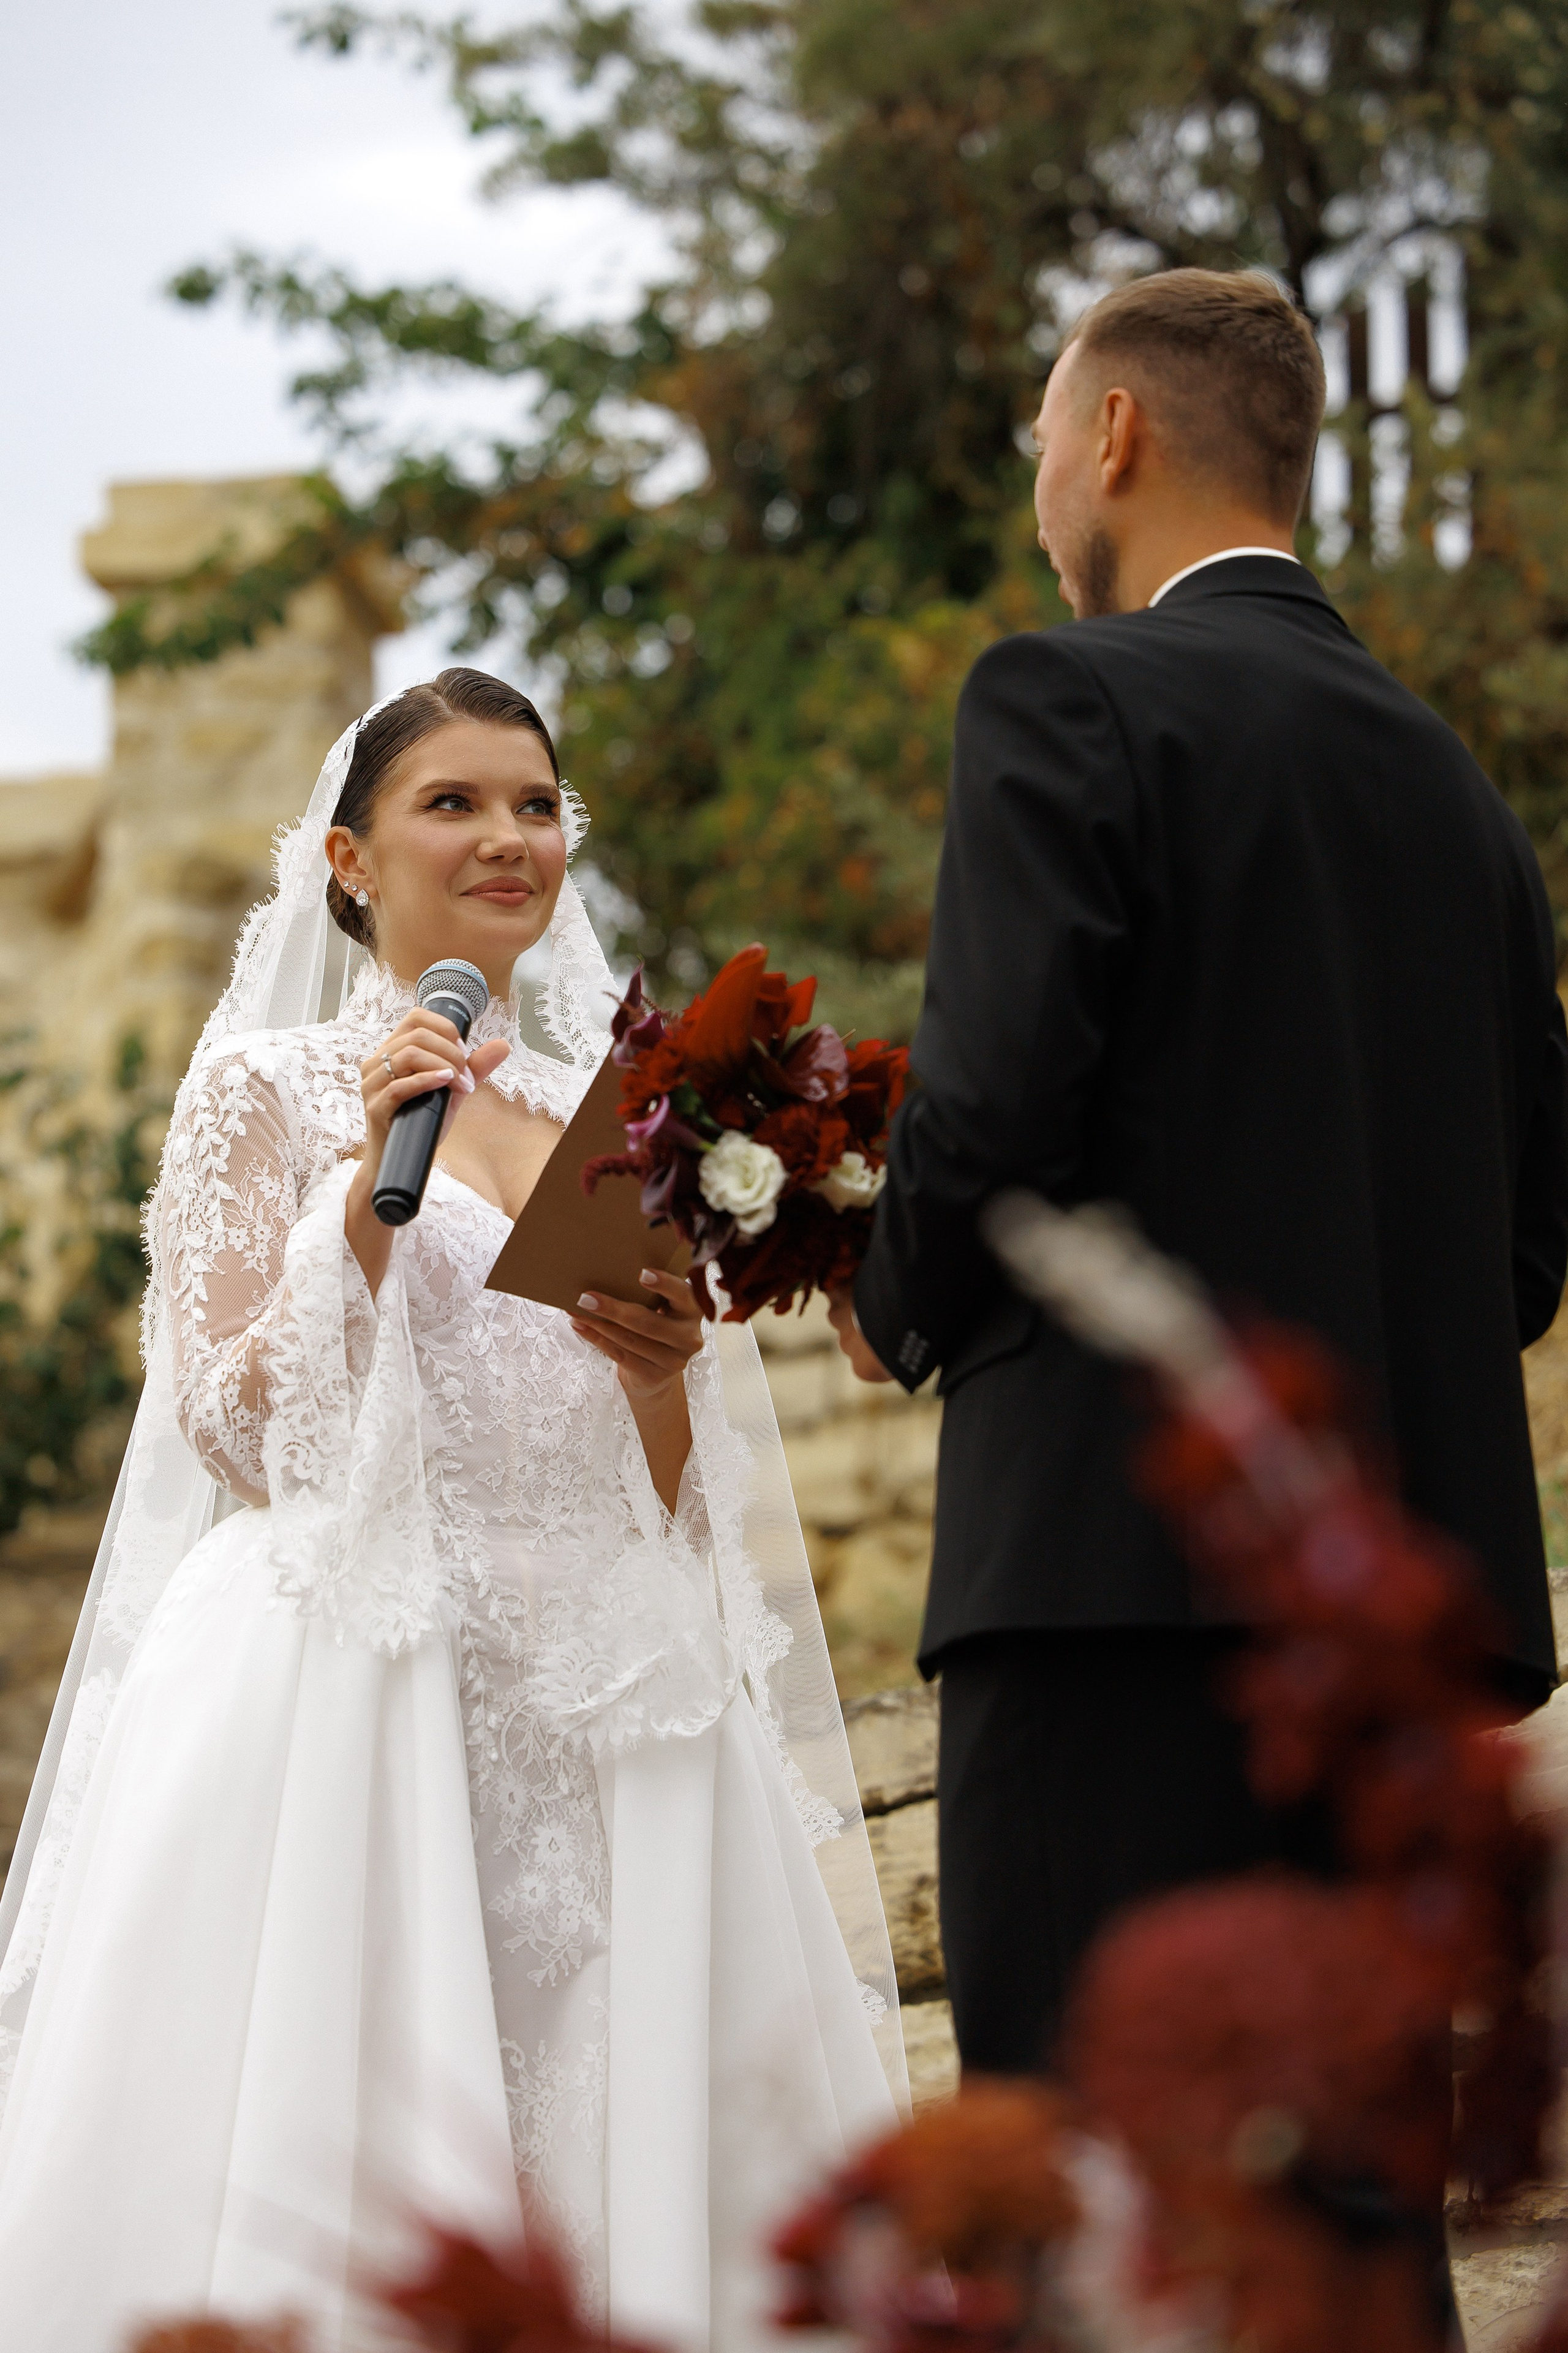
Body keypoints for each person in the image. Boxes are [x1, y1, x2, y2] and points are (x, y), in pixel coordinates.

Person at [0, 670, 903, 2352]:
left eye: (537, 803)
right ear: (349, 860)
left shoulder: (618, 1116)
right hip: (359, 1690)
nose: (509, 835)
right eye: (456, 803)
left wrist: (654, 1373)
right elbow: (232, 1427)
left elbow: (674, 1501)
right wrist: (361, 1194)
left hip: (605, 1703)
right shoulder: (263, 1088)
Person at [831, 268, 1568, 2078]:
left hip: (1110, 1599)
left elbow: (997, 1103)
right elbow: (1528, 1249)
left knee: (1098, 2197)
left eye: (1036, 445)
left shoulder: (1065, 698)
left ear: (1116, 434)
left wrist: (885, 1293)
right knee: (1348, 2219)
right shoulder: (1461, 799)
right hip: (1398, 1645)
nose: (1035, 497)